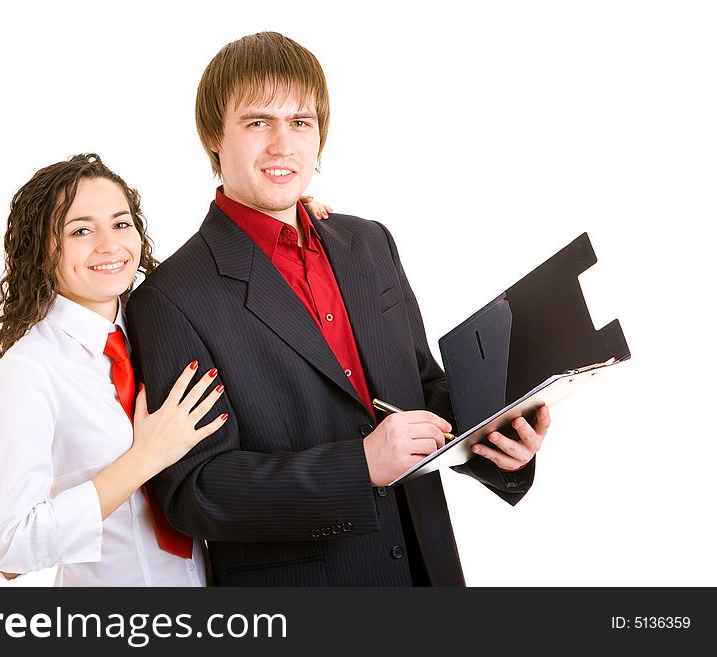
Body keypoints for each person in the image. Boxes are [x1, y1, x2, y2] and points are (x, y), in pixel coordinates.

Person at [125, 32, 552, 586]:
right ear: (213, 135)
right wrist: (360, 467)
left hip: (430, 571)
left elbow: (424, 390)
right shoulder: (170, 298)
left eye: (301, 122)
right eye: (258, 122)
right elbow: (197, 491)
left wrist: (501, 439)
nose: (284, 144)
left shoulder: (369, 244)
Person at [0, 154, 332, 586]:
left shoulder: (157, 325)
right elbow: (10, 547)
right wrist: (145, 459)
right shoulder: (31, 368)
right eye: (81, 230)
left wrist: (291, 223)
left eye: (121, 224)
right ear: (42, 249)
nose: (109, 245)